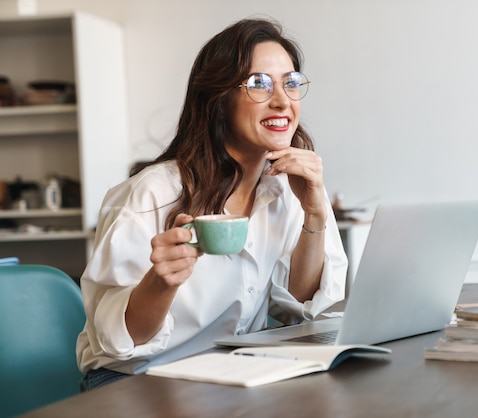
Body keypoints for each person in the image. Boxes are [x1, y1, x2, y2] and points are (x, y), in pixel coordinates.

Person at [76, 17, 348, 390]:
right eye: (259, 84)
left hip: (228, 374)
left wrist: (314, 214)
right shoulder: (152, 193)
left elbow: (300, 306)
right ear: (219, 100)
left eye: (291, 83)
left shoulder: (288, 189)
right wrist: (161, 281)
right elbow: (120, 342)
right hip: (136, 380)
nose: (282, 100)